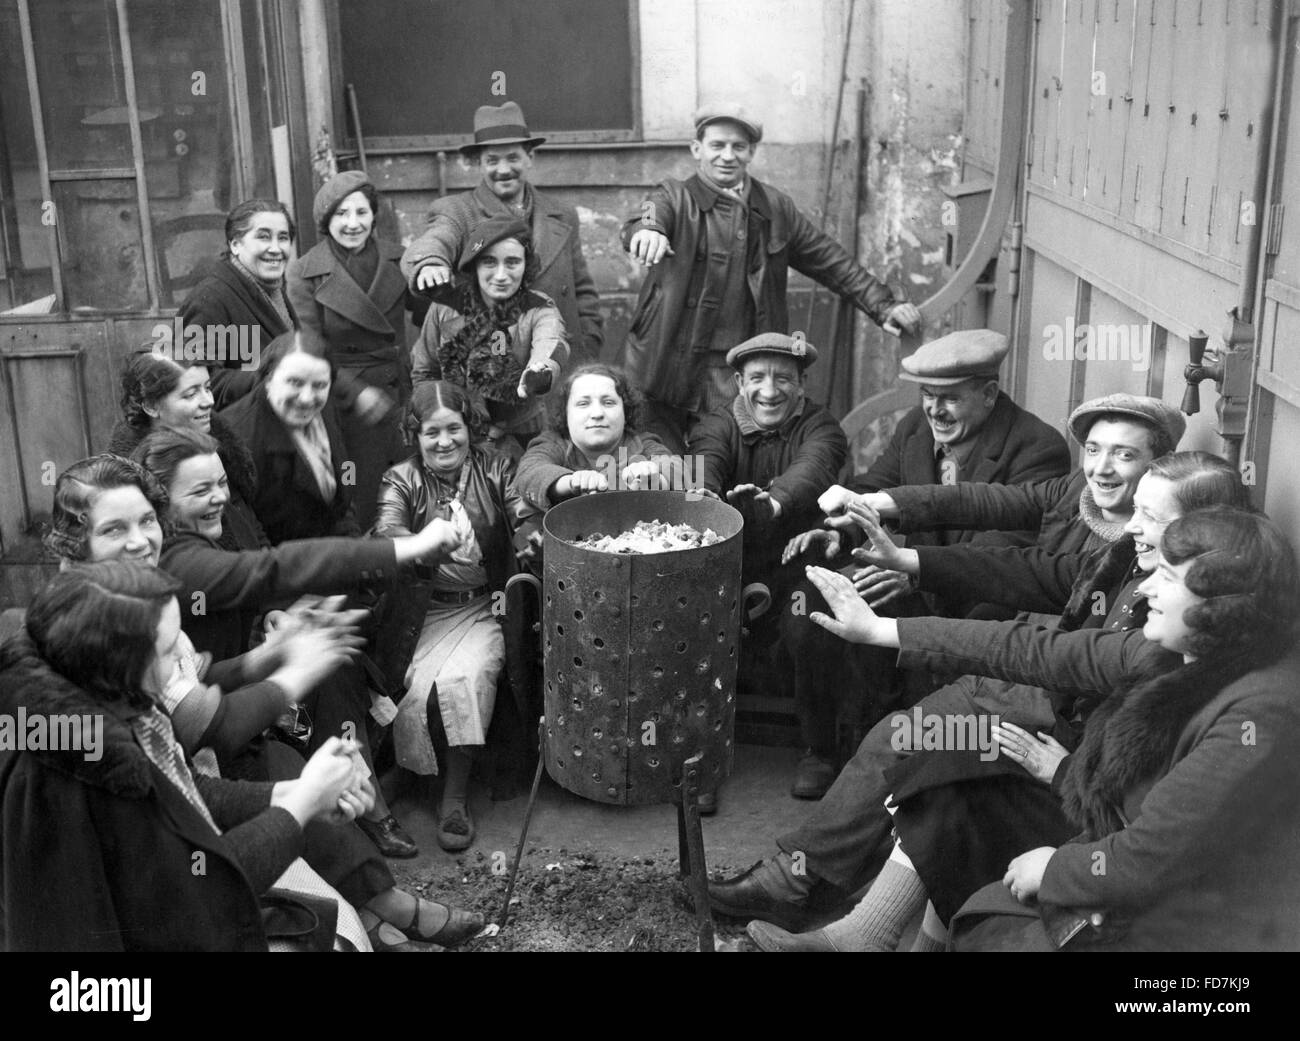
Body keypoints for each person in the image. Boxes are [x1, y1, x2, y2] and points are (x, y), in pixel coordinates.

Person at [708, 396, 1187, 930]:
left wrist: (891, 625)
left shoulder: (1164, 583)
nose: (1100, 467)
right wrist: (898, 538)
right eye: (1094, 449)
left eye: (1123, 455)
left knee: (913, 738)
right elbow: (1007, 530)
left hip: (1070, 720)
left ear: (1159, 467)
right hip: (1052, 682)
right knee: (910, 733)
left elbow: (1049, 635)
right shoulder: (1111, 520)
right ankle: (830, 897)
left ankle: (809, 888)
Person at [782, 506, 1300, 952]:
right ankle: (868, 936)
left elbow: (1156, 860)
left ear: (1218, 604)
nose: (1145, 588)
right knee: (950, 782)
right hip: (1115, 848)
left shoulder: (1256, 715)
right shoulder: (1180, 651)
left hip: (1189, 927)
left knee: (998, 921)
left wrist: (1059, 873)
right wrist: (880, 630)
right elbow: (1034, 649)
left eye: (1167, 575)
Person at [41, 455, 485, 949]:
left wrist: (269, 659)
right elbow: (198, 878)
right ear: (76, 547)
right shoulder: (91, 672)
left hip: (201, 827)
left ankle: (385, 908)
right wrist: (295, 688)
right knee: (329, 919)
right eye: (114, 528)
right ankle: (380, 915)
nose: (141, 540)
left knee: (290, 768)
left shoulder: (122, 616)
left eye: (147, 520)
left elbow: (186, 775)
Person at [0, 562, 373, 951]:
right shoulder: (81, 773)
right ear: (118, 663)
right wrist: (302, 803)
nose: (181, 665)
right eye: (167, 653)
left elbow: (185, 794)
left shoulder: (107, 711)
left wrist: (291, 794)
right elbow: (196, 892)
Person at [132, 426, 462, 861]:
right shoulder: (173, 558)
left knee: (335, 662)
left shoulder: (217, 520)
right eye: (201, 490)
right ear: (160, 500)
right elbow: (274, 568)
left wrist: (275, 630)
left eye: (222, 483)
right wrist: (405, 547)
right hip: (211, 750)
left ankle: (374, 842)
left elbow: (262, 567)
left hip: (224, 705)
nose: (220, 497)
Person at [775, 330, 1071, 796]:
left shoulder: (1037, 447)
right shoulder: (916, 426)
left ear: (989, 394)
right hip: (910, 576)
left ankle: (907, 770)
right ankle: (823, 750)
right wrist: (838, 530)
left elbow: (1004, 551)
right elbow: (878, 485)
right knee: (812, 601)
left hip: (978, 599)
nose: (935, 410)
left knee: (935, 632)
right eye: (928, 395)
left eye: (950, 398)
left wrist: (912, 571)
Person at [620, 103, 922, 451]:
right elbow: (646, 214)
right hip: (666, 361)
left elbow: (831, 261)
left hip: (734, 367)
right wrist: (648, 231)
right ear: (696, 149)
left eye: (739, 147)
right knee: (660, 461)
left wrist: (883, 305)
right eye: (717, 145)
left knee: (726, 456)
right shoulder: (671, 194)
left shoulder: (776, 207)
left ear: (751, 152)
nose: (727, 156)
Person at [371, 381, 541, 851]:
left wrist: (529, 536)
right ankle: (410, 773)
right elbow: (388, 532)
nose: (444, 442)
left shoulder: (494, 467)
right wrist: (418, 543)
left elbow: (520, 509)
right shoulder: (401, 478)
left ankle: (454, 796)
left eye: (454, 429)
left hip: (486, 606)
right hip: (424, 612)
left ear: (470, 430)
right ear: (416, 435)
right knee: (414, 686)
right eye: (431, 433)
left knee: (465, 678)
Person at [401, 101, 602, 364]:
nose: (504, 170)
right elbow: (436, 239)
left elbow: (583, 292)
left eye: (513, 158)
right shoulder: (458, 211)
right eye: (492, 160)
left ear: (530, 157)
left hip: (556, 366)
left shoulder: (563, 214)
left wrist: (588, 345)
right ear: (479, 163)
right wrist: (430, 263)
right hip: (492, 371)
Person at [288, 170, 413, 528]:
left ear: (374, 215)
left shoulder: (400, 260)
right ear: (327, 221)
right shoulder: (305, 272)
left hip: (397, 394)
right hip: (344, 401)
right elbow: (310, 349)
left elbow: (429, 310)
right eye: (342, 214)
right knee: (356, 487)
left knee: (407, 483)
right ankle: (362, 566)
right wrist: (355, 393)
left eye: (361, 212)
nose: (353, 223)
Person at [689, 332, 848, 609]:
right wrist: (706, 502)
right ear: (739, 383)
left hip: (800, 569)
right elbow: (705, 460)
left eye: (783, 379)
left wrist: (774, 503)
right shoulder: (716, 424)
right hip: (730, 568)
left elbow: (813, 467)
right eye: (757, 378)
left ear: (801, 384)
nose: (770, 391)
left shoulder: (822, 426)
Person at [410, 216, 567, 460]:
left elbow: (552, 345)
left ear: (526, 265)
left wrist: (540, 371)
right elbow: (425, 371)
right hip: (456, 433)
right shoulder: (446, 308)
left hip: (523, 434)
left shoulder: (538, 308)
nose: (501, 275)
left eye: (512, 262)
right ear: (474, 266)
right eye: (489, 263)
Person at [107, 349, 264, 548]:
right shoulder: (134, 481)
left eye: (207, 388)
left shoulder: (219, 447)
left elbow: (251, 524)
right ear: (151, 406)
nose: (209, 401)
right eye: (190, 395)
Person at [221, 330, 358, 544]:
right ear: (267, 379)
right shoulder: (236, 438)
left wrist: (354, 545)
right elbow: (249, 540)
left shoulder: (326, 412)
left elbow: (347, 476)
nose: (307, 398)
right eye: (295, 382)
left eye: (320, 385)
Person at [179, 198, 297, 408]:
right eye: (263, 237)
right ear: (235, 244)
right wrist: (269, 378)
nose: (276, 248)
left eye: (283, 238)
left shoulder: (275, 289)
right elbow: (200, 383)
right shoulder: (211, 299)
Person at [515, 364, 678, 509]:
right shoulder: (554, 443)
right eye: (583, 404)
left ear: (625, 411)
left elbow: (675, 468)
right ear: (566, 413)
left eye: (608, 403)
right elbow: (529, 472)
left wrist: (654, 477)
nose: (597, 413)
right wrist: (571, 482)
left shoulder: (642, 443)